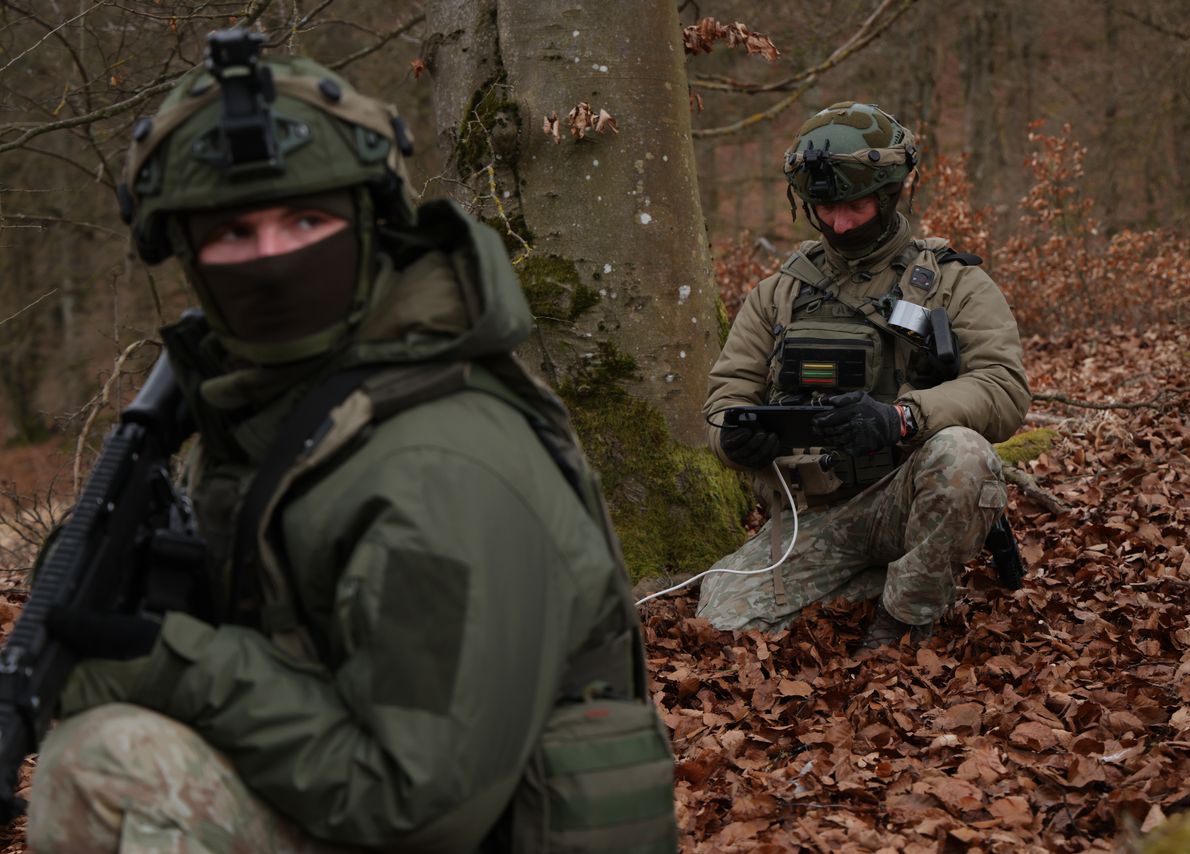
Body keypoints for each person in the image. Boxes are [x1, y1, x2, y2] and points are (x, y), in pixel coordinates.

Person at [26, 32, 676, 853]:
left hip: (457, 826)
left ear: (371, 223)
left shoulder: (436, 464)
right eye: (231, 233)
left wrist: (172, 666)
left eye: (305, 219)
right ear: (187, 255)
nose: (271, 262)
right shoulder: (292, 411)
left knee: (109, 767)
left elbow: (421, 804)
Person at [698, 102, 1030, 649]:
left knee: (964, 456)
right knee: (721, 621)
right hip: (813, 515)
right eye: (823, 207)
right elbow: (726, 395)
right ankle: (888, 578)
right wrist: (733, 438)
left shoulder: (952, 283)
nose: (839, 223)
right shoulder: (779, 293)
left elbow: (1004, 387)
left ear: (891, 191)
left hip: (904, 494)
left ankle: (903, 617)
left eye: (853, 205)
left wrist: (902, 417)